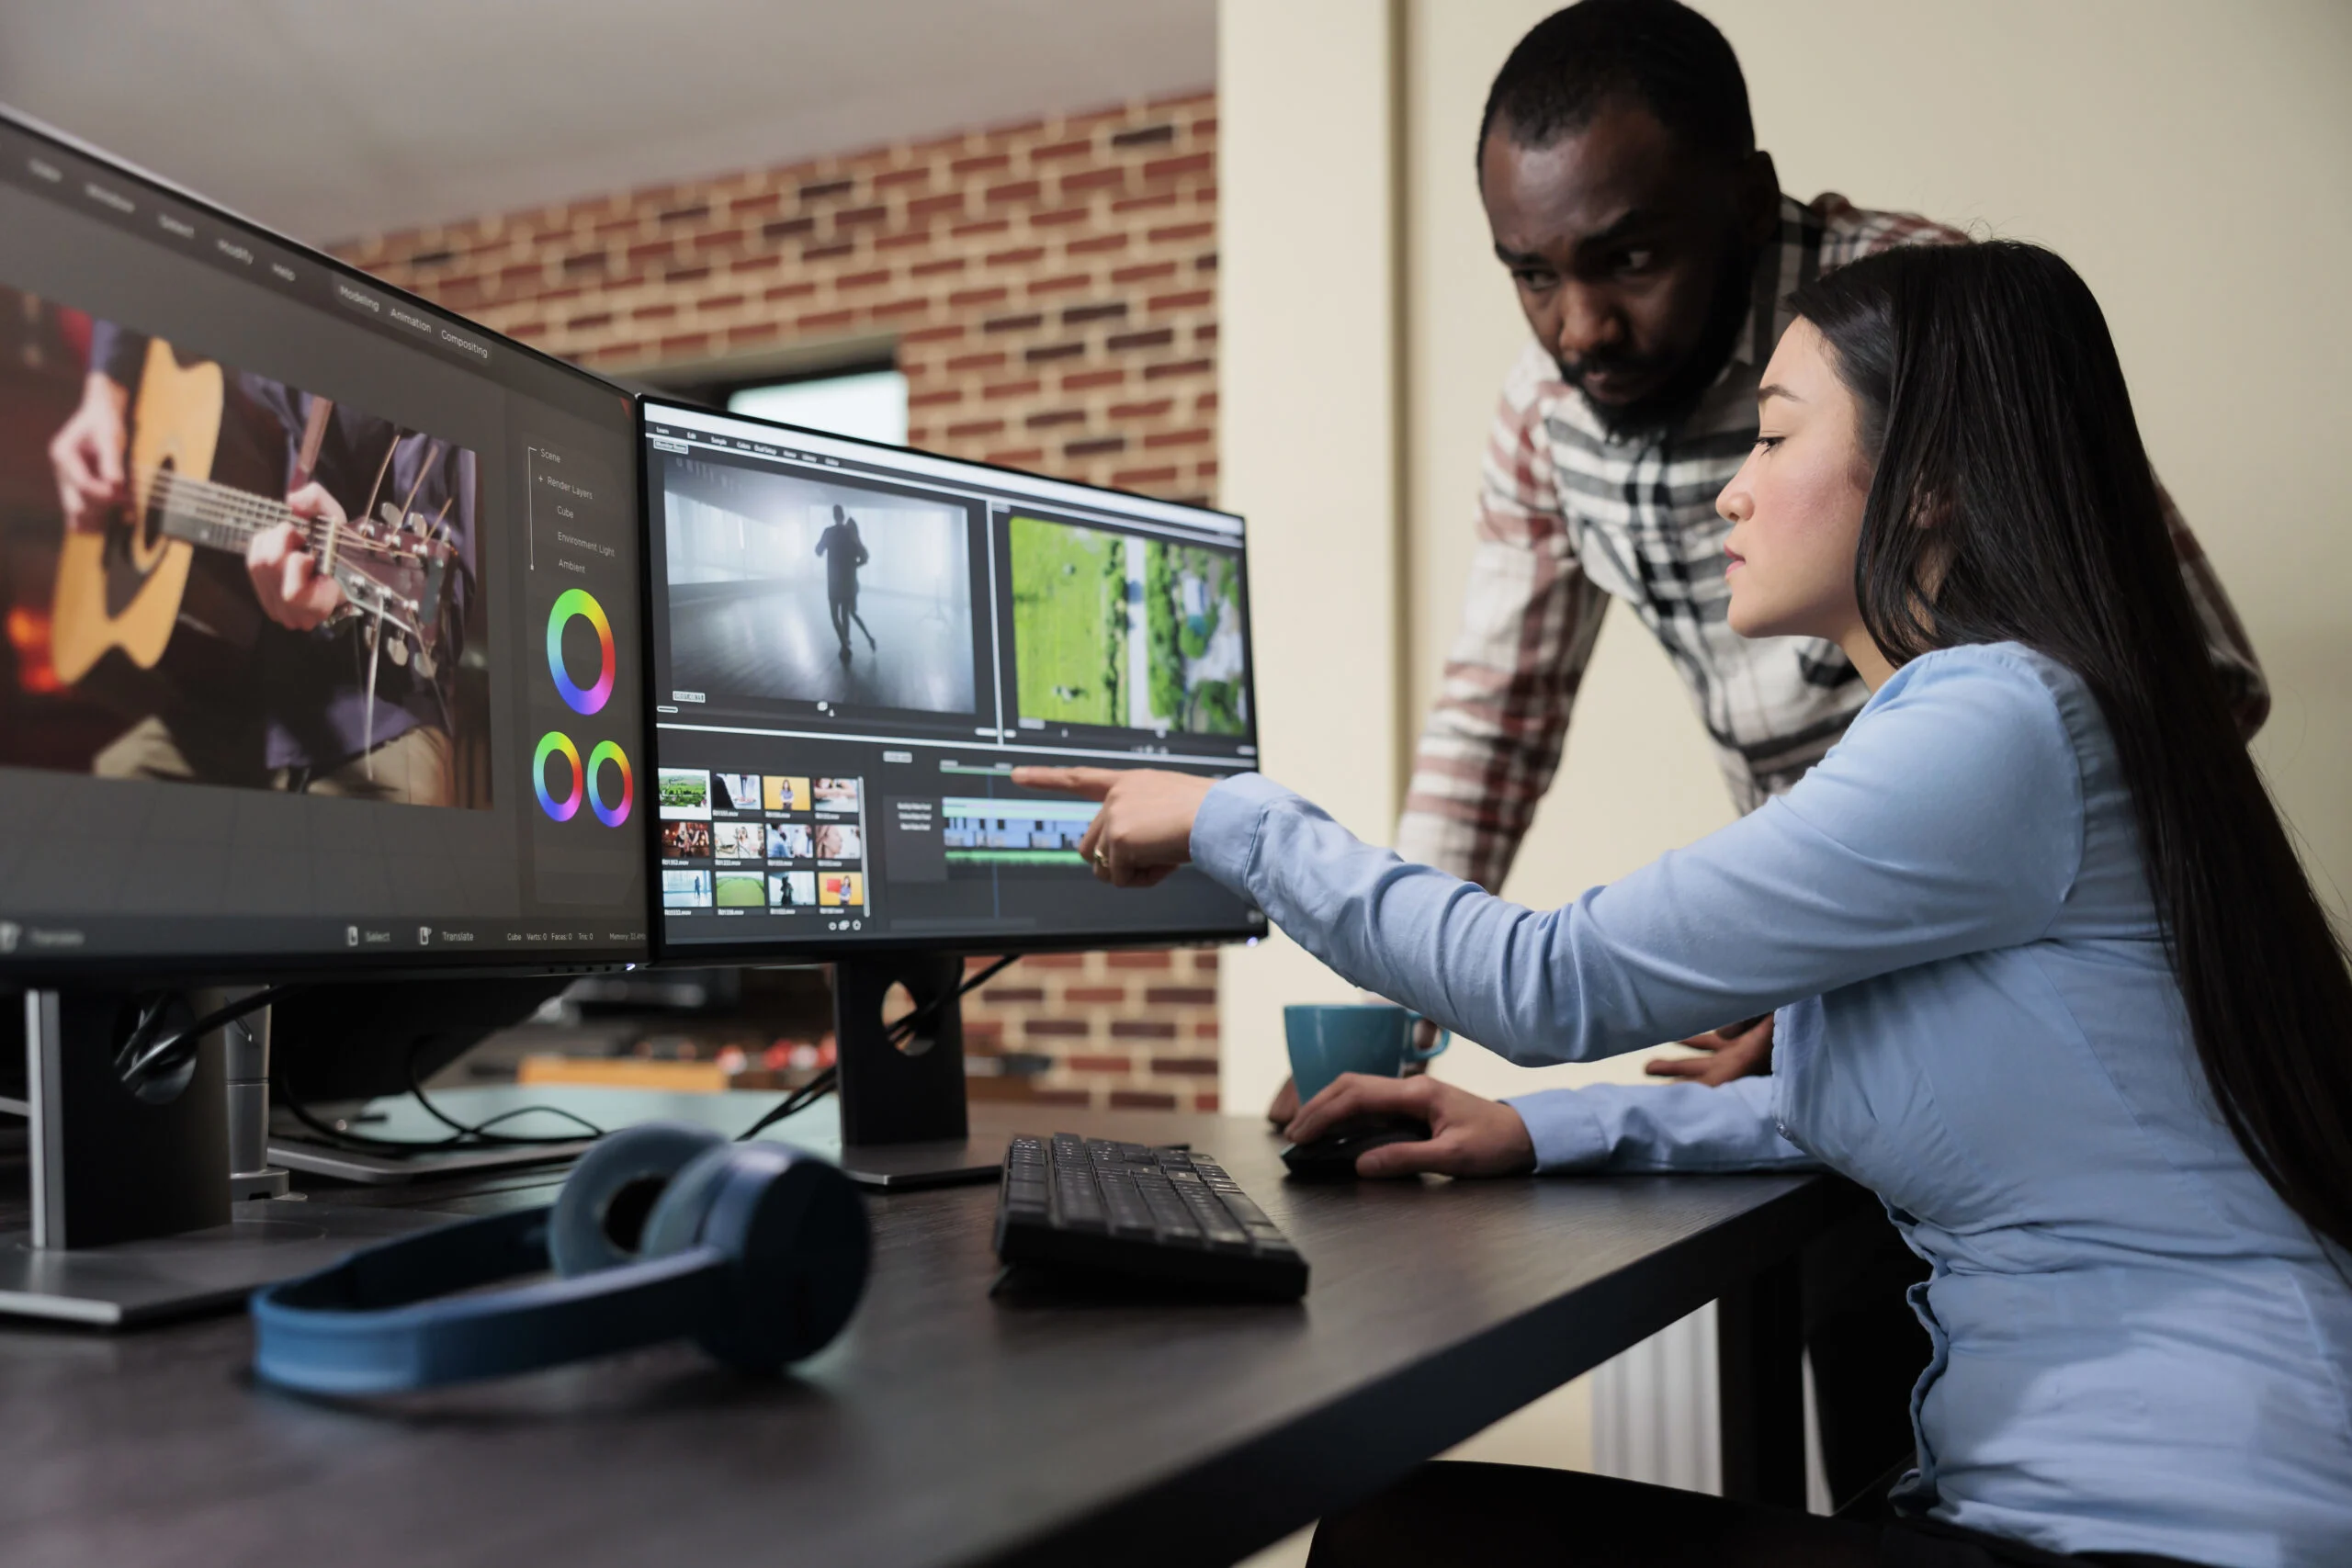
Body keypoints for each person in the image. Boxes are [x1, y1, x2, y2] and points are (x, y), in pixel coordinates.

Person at [1016, 239, 2352, 1567]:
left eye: (1773, 437)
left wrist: (1230, 817)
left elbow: (1552, 980)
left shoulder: (1995, 724)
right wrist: (1534, 1129)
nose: (1731, 490)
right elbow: (1840, 1108)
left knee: (1397, 1540)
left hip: (2181, 1537)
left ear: (1930, 481)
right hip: (2138, 1507)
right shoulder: (2054, 717)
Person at [1259, 0, 2270, 1507]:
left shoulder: (1920, 341)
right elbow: (1495, 719)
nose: (1577, 328)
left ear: (1746, 200)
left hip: (1957, 975)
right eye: (1530, 275)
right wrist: (1472, 1075)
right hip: (1857, 1002)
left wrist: (1228, 819)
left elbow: (2180, 680)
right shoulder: (1548, 422)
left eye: (1628, 259)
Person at [47, 319, 476, 804]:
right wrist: (105, 392)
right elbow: (133, 285)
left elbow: (441, 594)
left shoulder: (414, 370)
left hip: (364, 713)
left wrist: (337, 592)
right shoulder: (232, 329)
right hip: (220, 699)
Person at [816, 502, 874, 662]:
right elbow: (864, 557)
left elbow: (818, 551)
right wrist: (853, 565)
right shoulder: (850, 534)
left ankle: (844, 645)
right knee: (845, 615)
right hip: (848, 581)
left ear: (834, 516)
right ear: (843, 515)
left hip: (834, 582)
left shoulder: (828, 533)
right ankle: (845, 644)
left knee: (835, 616)